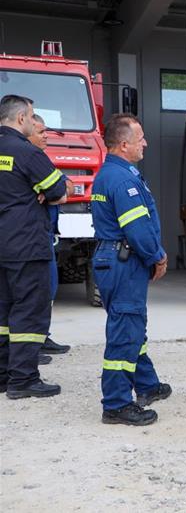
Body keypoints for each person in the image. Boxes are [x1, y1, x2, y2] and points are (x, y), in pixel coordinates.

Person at [91, 113, 171, 426]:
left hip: (115, 259)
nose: (145, 143)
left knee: (132, 326)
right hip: (124, 262)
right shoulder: (123, 179)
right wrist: (157, 256)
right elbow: (137, 228)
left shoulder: (113, 173)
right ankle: (116, 404)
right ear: (124, 144)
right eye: (140, 139)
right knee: (125, 331)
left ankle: (147, 384)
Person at [0, 94, 67, 399]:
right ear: (22, 118)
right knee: (29, 312)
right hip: (26, 244)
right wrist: (40, 192)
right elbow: (57, 189)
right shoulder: (25, 152)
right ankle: (23, 379)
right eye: (32, 115)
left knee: (2, 314)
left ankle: (3, 375)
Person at [28, 114, 72, 358]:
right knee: (31, 295)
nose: (47, 135)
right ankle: (30, 348)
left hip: (47, 235)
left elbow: (66, 187)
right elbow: (58, 191)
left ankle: (41, 337)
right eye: (41, 131)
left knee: (48, 290)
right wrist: (56, 191)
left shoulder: (42, 159)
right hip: (33, 238)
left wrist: (57, 190)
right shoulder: (27, 159)